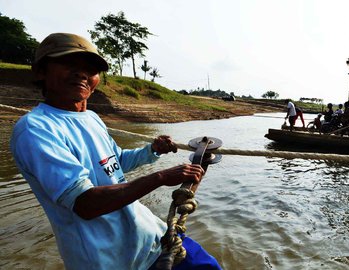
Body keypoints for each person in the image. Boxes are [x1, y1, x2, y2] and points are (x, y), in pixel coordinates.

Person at [9, 33, 220, 270]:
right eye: (69, 64)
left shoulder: (90, 117)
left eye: (90, 69)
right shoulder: (35, 129)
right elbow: (85, 203)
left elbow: (113, 162)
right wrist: (161, 177)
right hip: (111, 260)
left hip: (153, 237)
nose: (82, 73)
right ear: (40, 72)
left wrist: (152, 150)